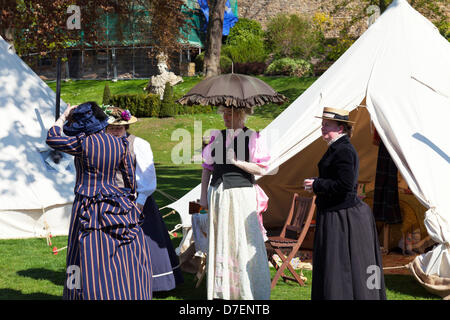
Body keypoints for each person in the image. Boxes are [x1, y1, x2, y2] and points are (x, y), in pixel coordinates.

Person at [46, 102, 153, 300]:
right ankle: (124, 292)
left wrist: (62, 117)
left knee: (81, 253)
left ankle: (81, 294)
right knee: (121, 253)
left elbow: (52, 138)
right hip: (118, 203)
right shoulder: (120, 144)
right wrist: (128, 204)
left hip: (87, 204)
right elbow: (129, 180)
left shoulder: (82, 143)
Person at [304, 107, 386, 300]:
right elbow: (338, 178)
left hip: (343, 217)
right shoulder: (336, 148)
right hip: (334, 212)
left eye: (327, 125)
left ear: (340, 128)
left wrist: (318, 184)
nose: (323, 128)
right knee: (338, 265)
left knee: (347, 265)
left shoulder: (344, 150)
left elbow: (346, 185)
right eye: (322, 124)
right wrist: (318, 183)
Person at [105, 106, 183, 292]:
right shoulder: (102, 145)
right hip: (109, 201)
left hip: (136, 201)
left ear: (126, 127)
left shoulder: (138, 144)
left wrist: (139, 204)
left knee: (143, 242)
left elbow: (147, 178)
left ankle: (151, 283)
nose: (116, 130)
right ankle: (116, 283)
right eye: (113, 128)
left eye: (120, 127)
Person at [199, 106, 271, 300]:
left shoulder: (253, 137)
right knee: (222, 240)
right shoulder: (217, 136)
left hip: (241, 194)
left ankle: (245, 291)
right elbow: (207, 168)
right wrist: (203, 196)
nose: (225, 117)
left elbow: (262, 169)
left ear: (241, 115)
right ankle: (223, 291)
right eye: (224, 113)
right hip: (218, 193)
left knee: (240, 239)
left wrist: (237, 161)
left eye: (230, 113)